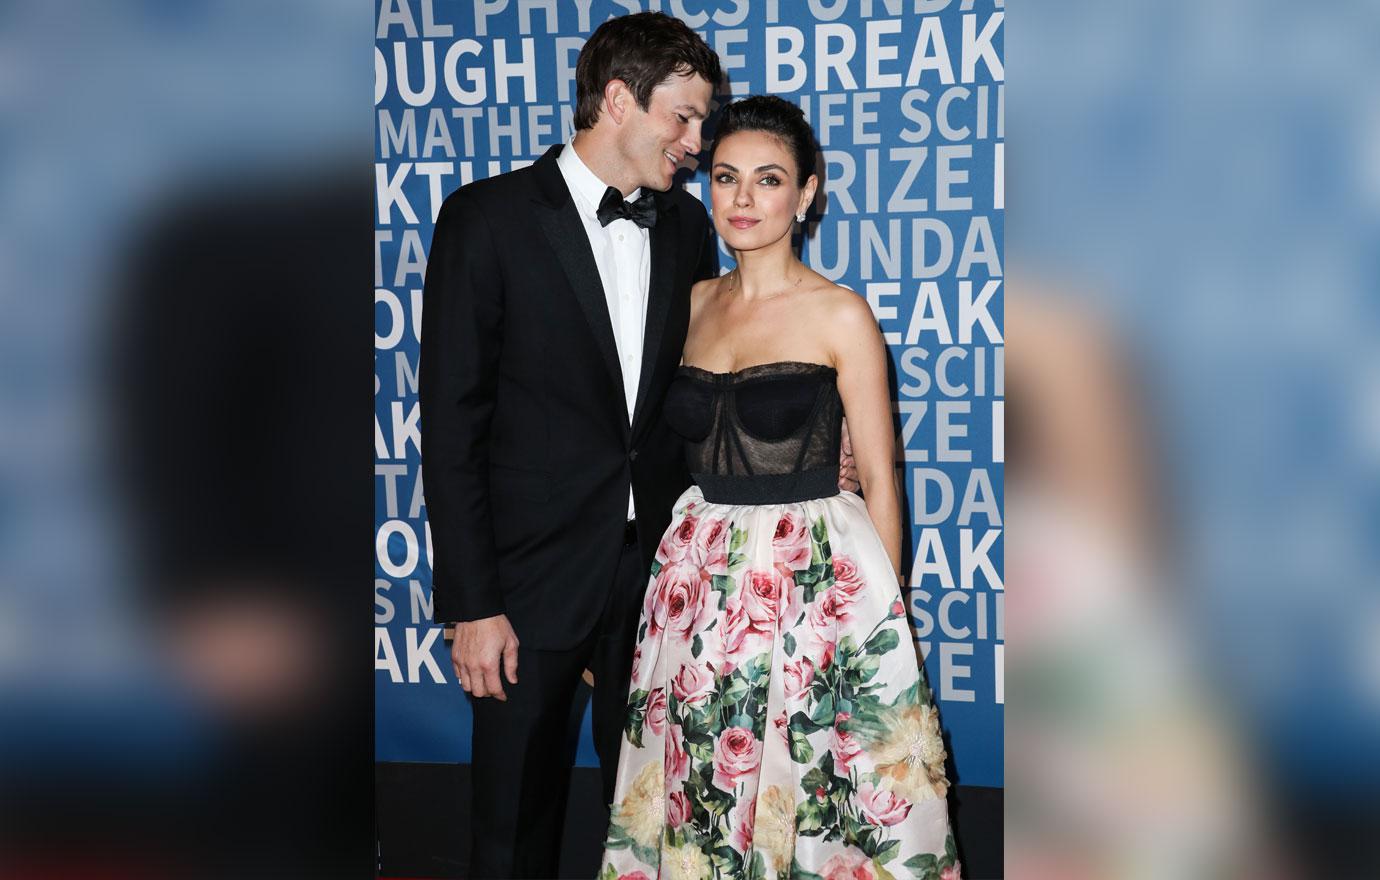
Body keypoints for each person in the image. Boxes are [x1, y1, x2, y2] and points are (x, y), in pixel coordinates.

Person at [420, 14, 854, 879]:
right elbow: (452, 425)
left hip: (665, 585)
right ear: (618, 100)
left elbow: (713, 387)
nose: (698, 144)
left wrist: (815, 457)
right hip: (527, 583)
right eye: (684, 119)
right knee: (513, 825)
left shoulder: (688, 230)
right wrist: (473, 605)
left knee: (662, 821)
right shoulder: (487, 219)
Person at [600, 96, 960, 880]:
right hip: (697, 580)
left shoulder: (841, 315)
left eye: (767, 180)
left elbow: (881, 471)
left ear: (806, 194)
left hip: (814, 580)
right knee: (702, 772)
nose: (742, 198)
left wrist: (882, 612)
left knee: (821, 783)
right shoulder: (690, 304)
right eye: (725, 177)